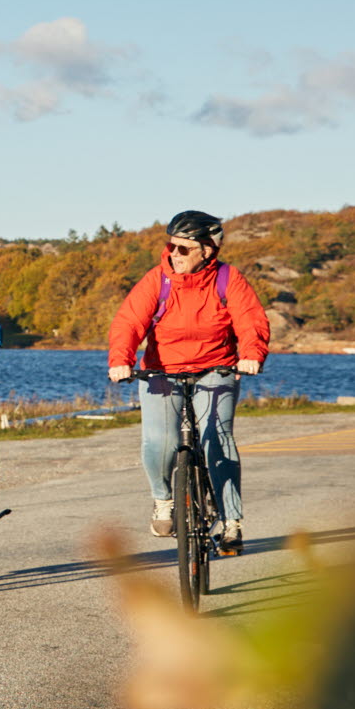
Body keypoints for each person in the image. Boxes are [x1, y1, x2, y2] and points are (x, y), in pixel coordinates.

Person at [106, 209, 269, 556]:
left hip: (216, 369)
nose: (173, 254)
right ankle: (163, 500)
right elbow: (129, 321)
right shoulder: (157, 280)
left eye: (183, 248)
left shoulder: (228, 279)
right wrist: (121, 360)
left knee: (217, 439)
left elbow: (250, 320)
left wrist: (251, 353)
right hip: (161, 372)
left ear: (207, 250)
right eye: (171, 247)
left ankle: (230, 521)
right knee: (159, 440)